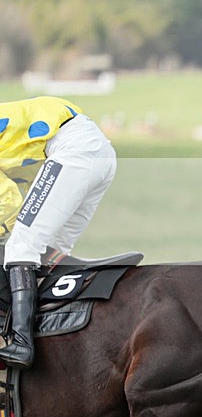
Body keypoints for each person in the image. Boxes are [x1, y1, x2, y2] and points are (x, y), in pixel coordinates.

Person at [0, 96, 116, 370]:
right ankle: (53, 337)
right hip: (96, 150)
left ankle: (22, 343)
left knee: (22, 247)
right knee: (49, 251)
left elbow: (8, 201)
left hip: (72, 149)